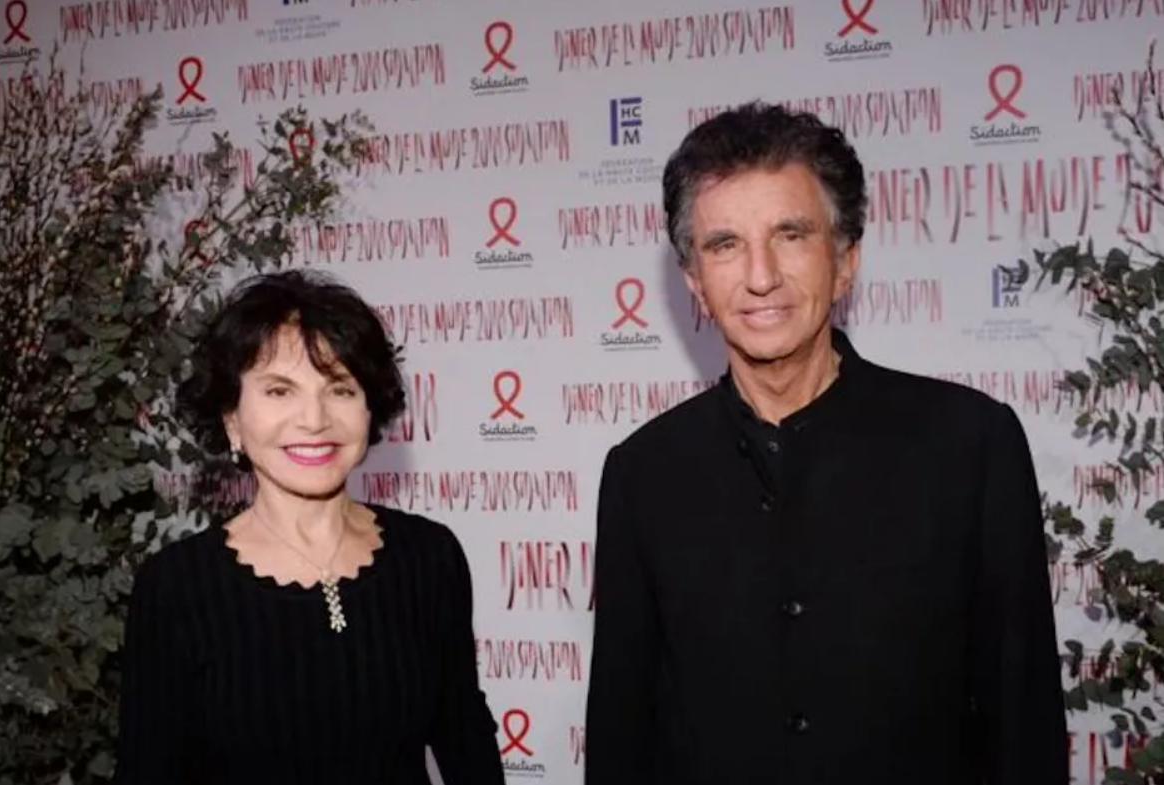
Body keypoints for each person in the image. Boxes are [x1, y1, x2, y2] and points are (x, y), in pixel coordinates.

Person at [583, 102, 1069, 785]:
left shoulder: (970, 446)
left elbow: (1023, 722)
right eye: (724, 244)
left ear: (845, 260)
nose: (760, 276)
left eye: (790, 235)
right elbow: (620, 733)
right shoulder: (642, 473)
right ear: (693, 280)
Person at [115, 269, 504, 784]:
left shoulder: (429, 556)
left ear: (369, 408)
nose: (314, 419)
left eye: (339, 389)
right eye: (280, 391)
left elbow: (467, 743)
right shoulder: (177, 587)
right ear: (232, 418)